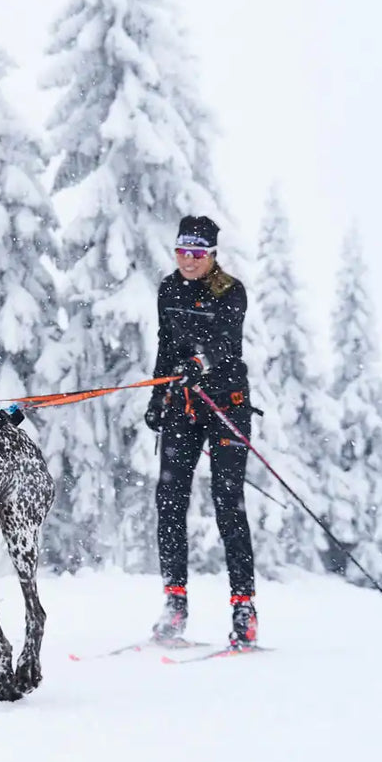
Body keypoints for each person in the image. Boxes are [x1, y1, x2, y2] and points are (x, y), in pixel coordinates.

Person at [143, 215, 258, 649]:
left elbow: (226, 342)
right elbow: (164, 344)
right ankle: (175, 603)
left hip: (226, 406)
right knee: (169, 499)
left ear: (212, 255)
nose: (188, 261)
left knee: (228, 502)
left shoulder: (230, 290)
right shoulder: (168, 289)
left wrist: (198, 364)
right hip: (183, 407)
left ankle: (243, 607)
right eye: (182, 252)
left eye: (197, 253)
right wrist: (157, 396)